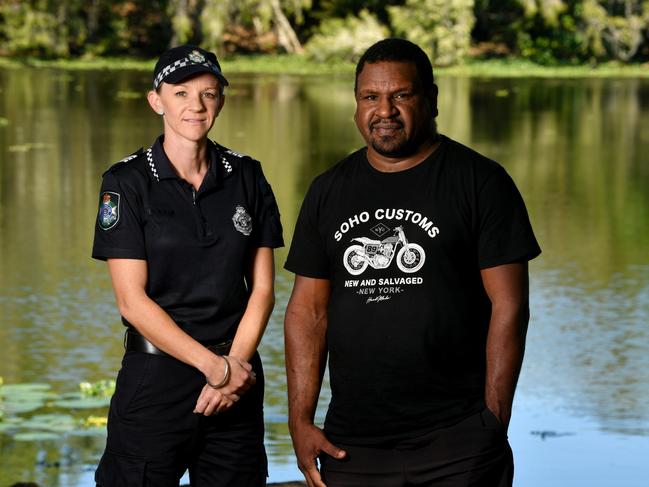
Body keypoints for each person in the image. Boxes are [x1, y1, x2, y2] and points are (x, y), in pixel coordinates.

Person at [284, 38, 541, 487]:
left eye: (401, 95)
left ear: (431, 100)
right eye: (371, 97)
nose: (385, 110)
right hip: (352, 443)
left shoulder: (481, 182)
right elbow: (308, 311)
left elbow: (510, 306)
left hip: (457, 440)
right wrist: (300, 421)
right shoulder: (329, 190)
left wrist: (493, 420)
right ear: (356, 103)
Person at [92, 45, 283, 486]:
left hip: (238, 380)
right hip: (157, 380)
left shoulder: (247, 176)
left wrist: (233, 369)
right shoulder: (125, 183)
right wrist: (212, 369)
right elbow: (132, 301)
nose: (196, 106)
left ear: (221, 100)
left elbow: (262, 290)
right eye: (181, 93)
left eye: (209, 93)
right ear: (156, 100)